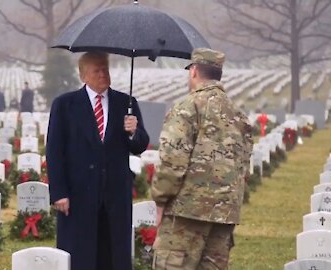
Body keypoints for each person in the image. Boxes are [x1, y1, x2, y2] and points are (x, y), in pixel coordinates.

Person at [151, 48, 253, 270]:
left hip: (185, 213)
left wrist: (160, 201)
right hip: (224, 214)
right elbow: (244, 165)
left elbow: (173, 161)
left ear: (194, 71)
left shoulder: (187, 108)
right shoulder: (238, 114)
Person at [46, 51, 150, 270]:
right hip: (78, 194)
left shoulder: (126, 103)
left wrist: (133, 132)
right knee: (80, 253)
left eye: (106, 68)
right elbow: (55, 151)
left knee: (113, 254)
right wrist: (59, 192)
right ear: (83, 75)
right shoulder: (65, 105)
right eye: (97, 70)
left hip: (115, 195)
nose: (103, 74)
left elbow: (140, 145)